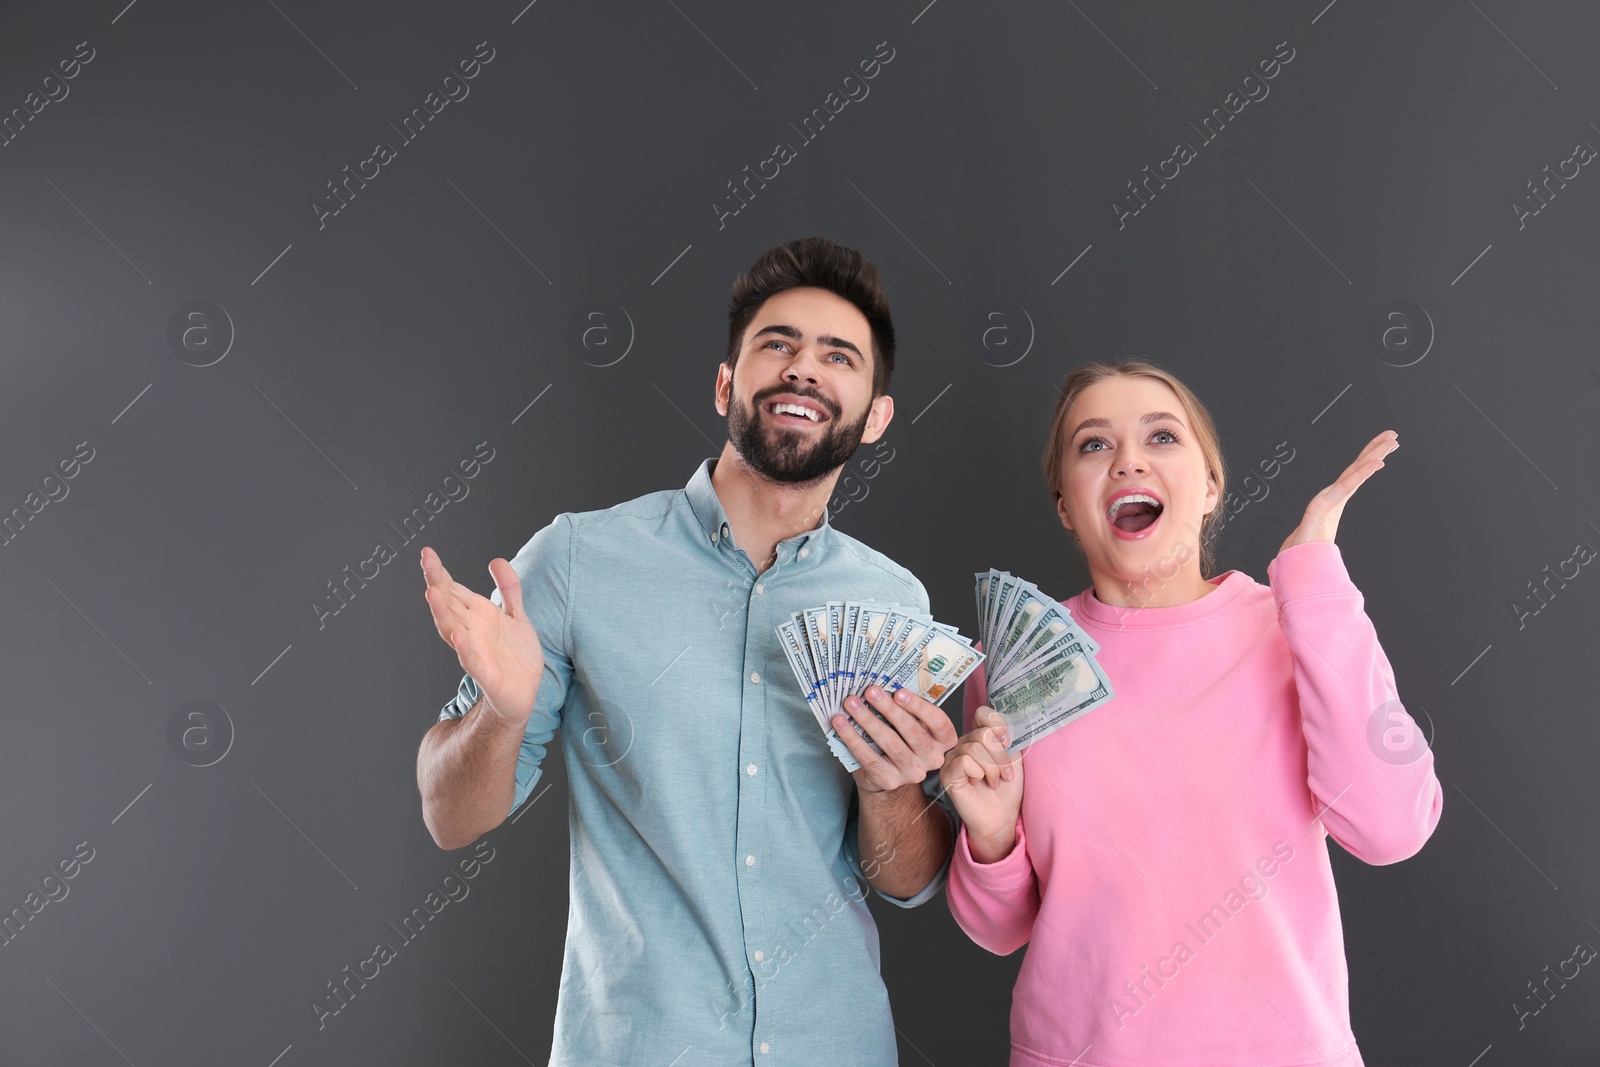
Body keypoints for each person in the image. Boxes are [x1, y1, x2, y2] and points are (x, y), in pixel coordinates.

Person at [416, 236, 959, 1065]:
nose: (804, 369)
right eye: (777, 344)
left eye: (838, 356)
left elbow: (907, 878)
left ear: (875, 414)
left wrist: (890, 785)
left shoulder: (894, 606)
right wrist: (503, 710)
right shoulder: (575, 561)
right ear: (724, 384)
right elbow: (450, 817)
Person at [940, 359, 1443, 1067]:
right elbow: (1002, 927)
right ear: (1064, 504)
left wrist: (1317, 577)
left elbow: (1390, 827)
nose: (1127, 462)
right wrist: (991, 838)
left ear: (1210, 488)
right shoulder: (1018, 655)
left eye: (1162, 437)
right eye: (1093, 445)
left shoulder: (1295, 622)